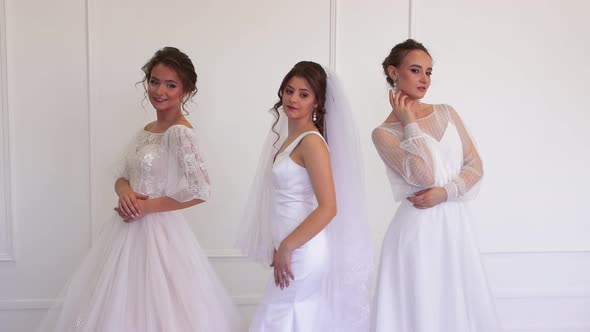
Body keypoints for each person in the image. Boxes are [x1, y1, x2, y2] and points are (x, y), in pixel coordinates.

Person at [37, 47, 243, 332]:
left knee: (163, 306)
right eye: (154, 81)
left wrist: (145, 207)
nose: (160, 90)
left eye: (171, 85)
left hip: (160, 234)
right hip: (125, 230)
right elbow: (122, 175)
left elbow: (200, 189)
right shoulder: (148, 128)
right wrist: (125, 193)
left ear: (186, 90)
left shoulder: (180, 132)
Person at [370, 39, 500, 331]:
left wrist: (446, 193)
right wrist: (408, 121)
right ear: (394, 72)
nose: (424, 79)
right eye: (415, 70)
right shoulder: (383, 133)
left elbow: (475, 165)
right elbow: (423, 175)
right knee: (421, 307)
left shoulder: (446, 112)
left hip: (454, 225)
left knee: (457, 304)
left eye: (428, 72)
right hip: (417, 232)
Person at [238, 61, 372, 332]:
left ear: (317, 102)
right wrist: (281, 245)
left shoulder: (311, 142)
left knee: (277, 317)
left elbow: (328, 207)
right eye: (289, 91)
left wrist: (287, 245)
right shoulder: (291, 139)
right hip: (291, 247)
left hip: (303, 250)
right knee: (290, 318)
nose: (293, 99)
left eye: (303, 94)